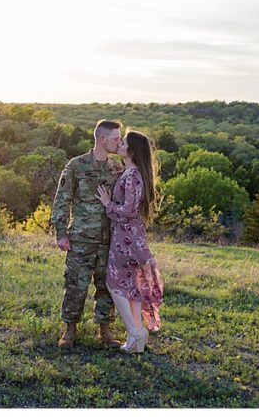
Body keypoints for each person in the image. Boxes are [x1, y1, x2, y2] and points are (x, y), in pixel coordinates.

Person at [50, 120, 125, 349]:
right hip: (81, 238)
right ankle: (70, 330)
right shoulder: (76, 166)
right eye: (115, 139)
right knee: (76, 285)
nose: (119, 142)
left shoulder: (117, 168)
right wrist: (61, 233)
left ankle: (105, 330)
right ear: (102, 139)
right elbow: (61, 200)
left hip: (109, 240)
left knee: (107, 286)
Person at [97, 130, 164, 354]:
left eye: (123, 142)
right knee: (131, 285)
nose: (119, 143)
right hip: (130, 236)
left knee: (114, 283)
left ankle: (134, 330)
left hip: (126, 238)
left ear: (132, 151)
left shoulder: (133, 176)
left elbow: (128, 210)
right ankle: (136, 339)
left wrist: (108, 203)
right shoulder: (131, 173)